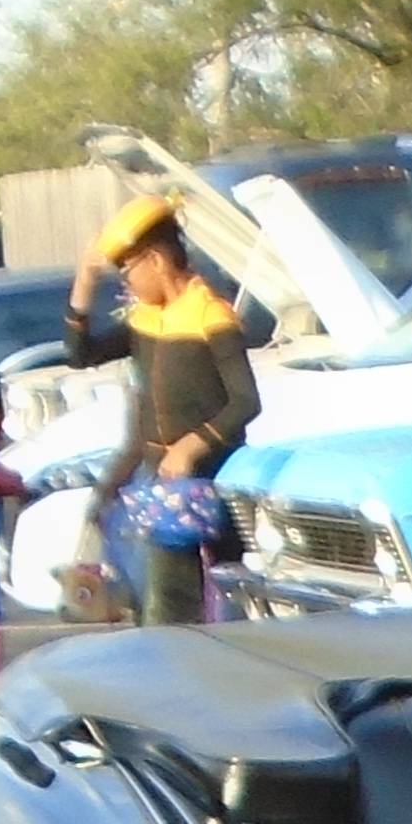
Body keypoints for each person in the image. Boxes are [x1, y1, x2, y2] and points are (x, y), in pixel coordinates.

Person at [59, 194, 258, 626]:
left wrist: (192, 446)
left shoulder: (210, 315)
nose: (126, 283)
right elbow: (80, 354)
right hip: (158, 480)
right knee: (165, 600)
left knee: (224, 592)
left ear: (156, 260)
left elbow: (246, 401)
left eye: (128, 270)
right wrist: (83, 285)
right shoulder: (145, 320)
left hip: (211, 475)